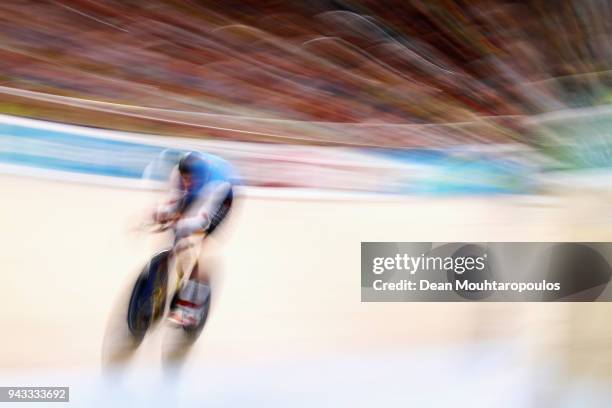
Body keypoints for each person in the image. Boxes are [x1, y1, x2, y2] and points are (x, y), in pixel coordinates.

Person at [152, 151, 236, 328]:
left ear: (200, 176)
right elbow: (173, 201)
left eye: (190, 180)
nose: (187, 183)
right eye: (185, 179)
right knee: (175, 237)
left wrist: (180, 223)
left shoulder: (216, 185)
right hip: (200, 190)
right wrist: (162, 212)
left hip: (221, 199)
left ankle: (191, 310)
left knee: (202, 251)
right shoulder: (178, 173)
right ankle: (165, 282)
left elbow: (202, 222)